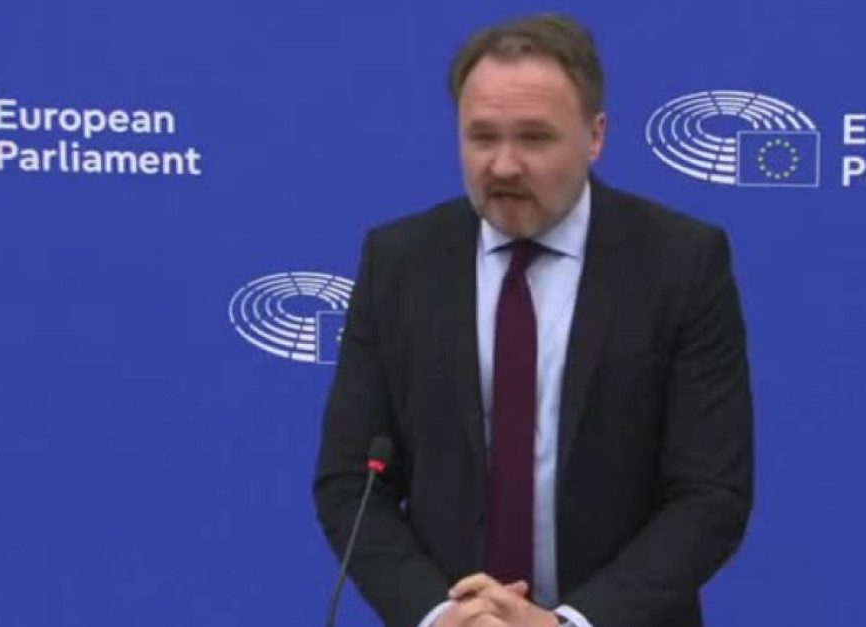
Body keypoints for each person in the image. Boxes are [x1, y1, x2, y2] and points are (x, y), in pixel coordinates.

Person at [314, 13, 753, 627]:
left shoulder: (681, 263)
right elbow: (351, 483)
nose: (503, 166)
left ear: (595, 136)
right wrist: (439, 614)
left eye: (534, 138)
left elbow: (710, 494)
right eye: (482, 137)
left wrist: (569, 623)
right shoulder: (398, 262)